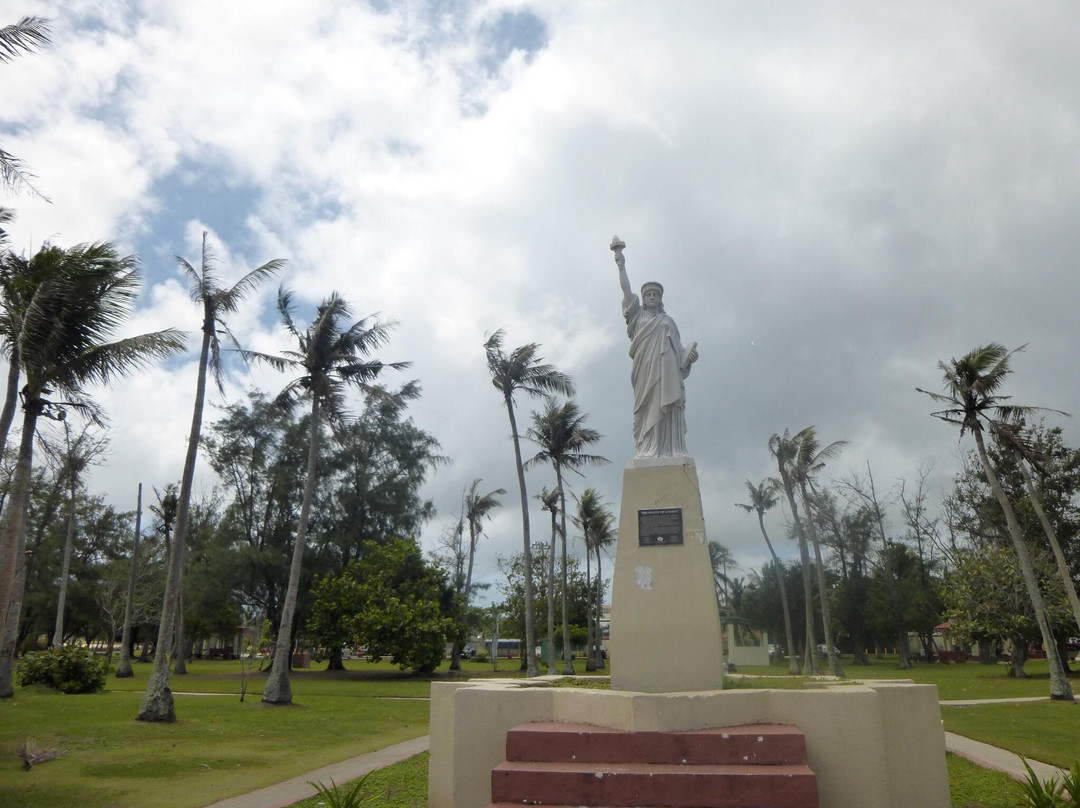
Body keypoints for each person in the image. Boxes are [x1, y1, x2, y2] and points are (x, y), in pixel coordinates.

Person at [612, 237, 698, 457]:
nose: (651, 297)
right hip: (645, 372)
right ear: (643, 298)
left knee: (667, 405)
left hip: (667, 371)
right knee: (647, 407)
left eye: (655, 295)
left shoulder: (668, 321)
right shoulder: (637, 316)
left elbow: (679, 353)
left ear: (660, 299)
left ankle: (669, 448)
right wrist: (621, 264)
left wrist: (689, 357)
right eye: (648, 294)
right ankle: (647, 447)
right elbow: (626, 290)